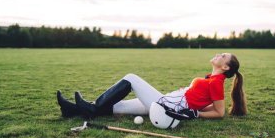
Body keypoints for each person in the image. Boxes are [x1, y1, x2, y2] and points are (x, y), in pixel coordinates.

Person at [56, 53, 247, 120]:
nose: (218, 54)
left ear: (225, 67)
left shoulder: (216, 82)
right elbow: (210, 105)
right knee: (118, 108)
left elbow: (219, 112)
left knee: (131, 78)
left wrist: (195, 113)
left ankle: (91, 108)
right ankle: (70, 110)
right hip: (168, 102)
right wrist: (192, 102)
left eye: (223, 56)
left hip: (166, 106)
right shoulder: (210, 79)